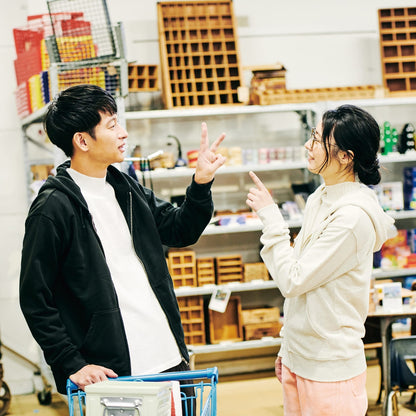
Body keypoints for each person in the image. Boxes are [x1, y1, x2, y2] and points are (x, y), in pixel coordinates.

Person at [19, 84, 226, 403]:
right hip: (114, 371)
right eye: (112, 125)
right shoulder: (53, 207)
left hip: (168, 356)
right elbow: (35, 297)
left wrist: (200, 183)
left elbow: (179, 230)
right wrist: (71, 362)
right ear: (82, 141)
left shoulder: (124, 188)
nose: (123, 133)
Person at [246, 104, 396, 416]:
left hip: (330, 368)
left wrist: (271, 217)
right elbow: (302, 281)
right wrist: (287, 347)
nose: (308, 145)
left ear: (346, 156)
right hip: (301, 358)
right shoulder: (320, 198)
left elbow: (293, 280)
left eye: (317, 140)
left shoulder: (352, 219)